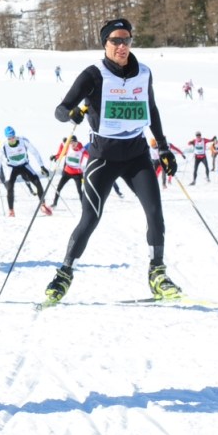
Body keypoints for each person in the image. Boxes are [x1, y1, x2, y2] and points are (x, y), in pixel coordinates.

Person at [45, 18, 182, 304]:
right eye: (115, 41)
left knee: (155, 213)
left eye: (127, 40)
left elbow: (152, 110)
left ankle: (157, 274)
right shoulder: (93, 75)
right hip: (103, 158)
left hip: (137, 155)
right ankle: (64, 274)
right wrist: (71, 114)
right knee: (90, 217)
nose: (122, 46)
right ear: (105, 43)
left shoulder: (143, 73)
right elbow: (60, 110)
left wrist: (164, 149)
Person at [0, 126, 49, 218]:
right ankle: (11, 211)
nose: (12, 139)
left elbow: (35, 152)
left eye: (13, 137)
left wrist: (42, 166)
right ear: (7, 138)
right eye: (9, 138)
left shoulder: (23, 141)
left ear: (15, 136)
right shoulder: (4, 145)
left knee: (37, 182)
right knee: (9, 188)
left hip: (24, 165)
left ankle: (42, 205)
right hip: (11, 168)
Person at [50, 136, 86, 205]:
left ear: (77, 142)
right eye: (71, 143)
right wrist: (55, 157)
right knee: (59, 188)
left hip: (77, 174)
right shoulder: (68, 148)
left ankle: (84, 206)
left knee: (79, 190)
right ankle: (54, 203)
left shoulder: (82, 150)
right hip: (67, 173)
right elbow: (61, 153)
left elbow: (90, 156)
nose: (72, 144)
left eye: (74, 143)